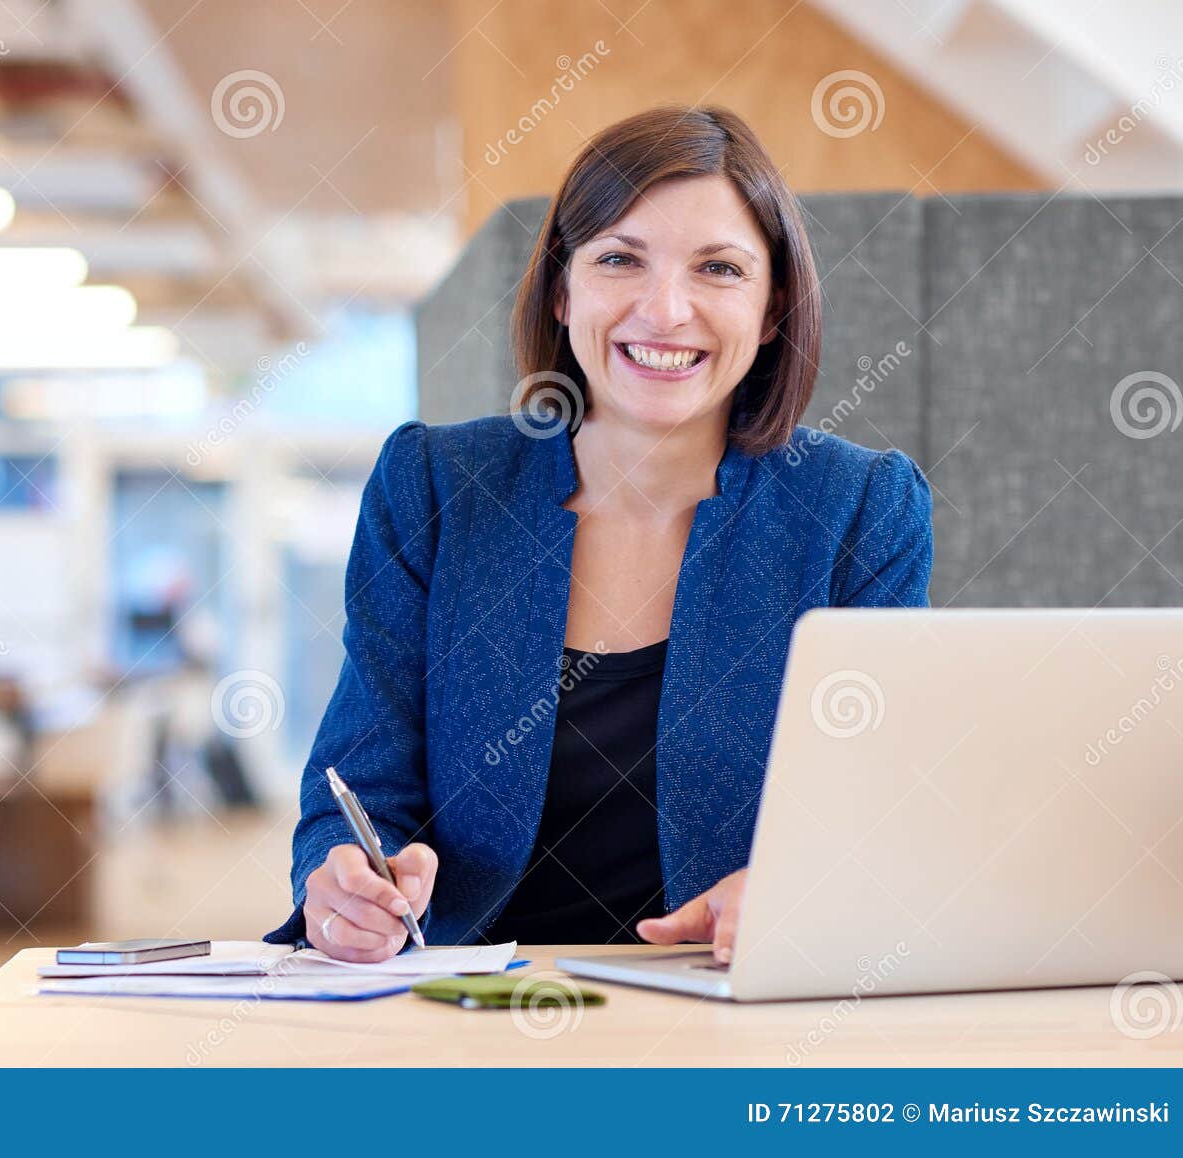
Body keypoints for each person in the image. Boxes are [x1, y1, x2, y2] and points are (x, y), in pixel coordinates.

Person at [265, 104, 933, 963]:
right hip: (466, 1014)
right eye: (620, 259)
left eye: (719, 269)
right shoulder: (437, 487)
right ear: (561, 287)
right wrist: (341, 885)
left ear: (772, 310)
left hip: (737, 1010)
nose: (664, 310)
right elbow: (358, 786)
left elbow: (880, 808)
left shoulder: (859, 509)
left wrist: (801, 892)